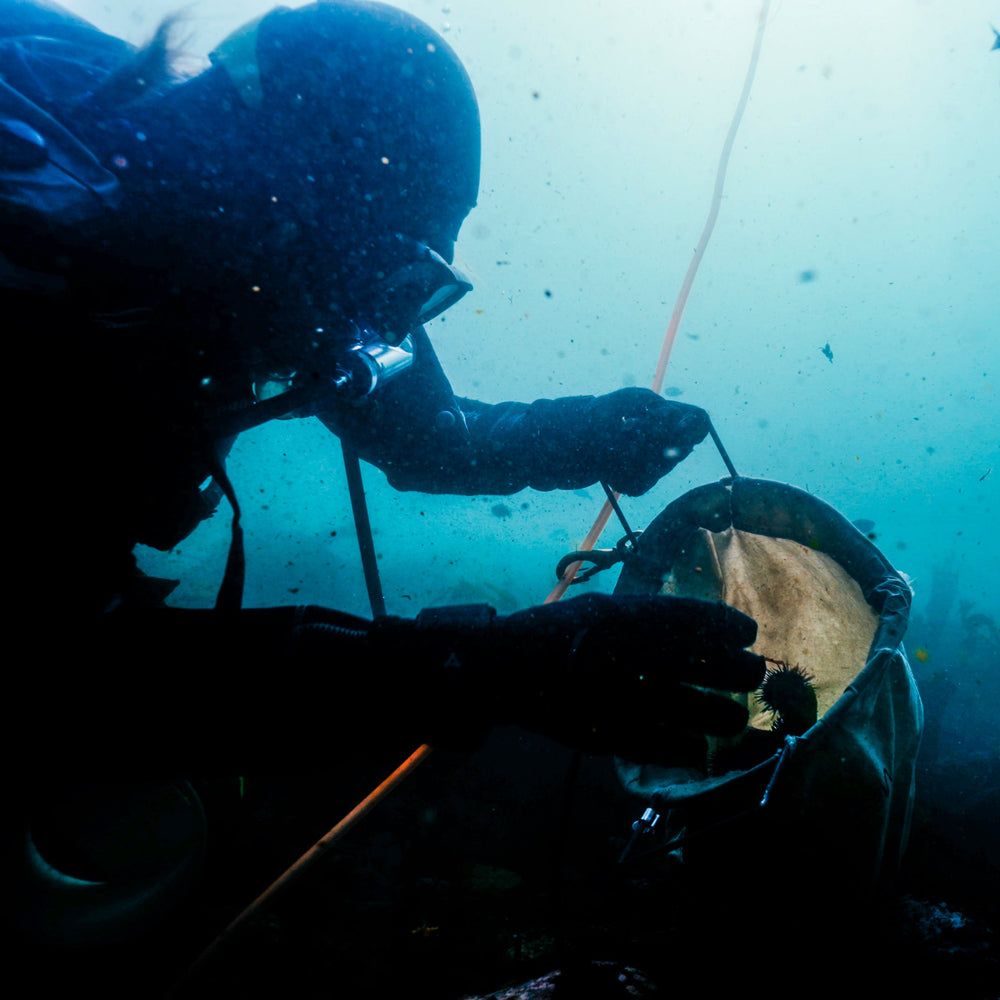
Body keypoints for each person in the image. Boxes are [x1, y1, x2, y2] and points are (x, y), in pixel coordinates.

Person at [3, 0, 764, 798]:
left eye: (417, 286)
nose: (387, 323)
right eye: (391, 273)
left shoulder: (285, 269)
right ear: (285, 201)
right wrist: (466, 671)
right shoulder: (36, 279)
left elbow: (427, 436)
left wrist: (587, 435)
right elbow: (51, 677)